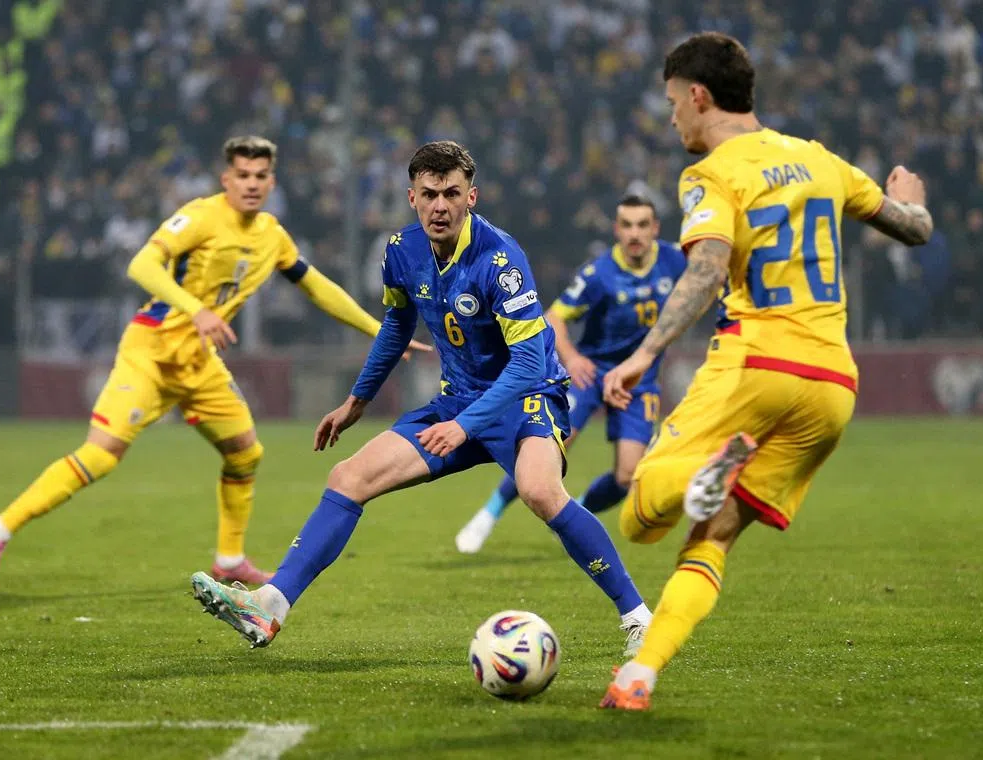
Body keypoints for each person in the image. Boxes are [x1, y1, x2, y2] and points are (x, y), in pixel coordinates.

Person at [189, 141, 653, 656]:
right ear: (412, 197)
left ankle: (638, 617)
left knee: (540, 490)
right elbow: (397, 325)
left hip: (525, 397)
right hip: (458, 401)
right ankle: (270, 604)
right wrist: (357, 401)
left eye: (451, 193)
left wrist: (464, 426)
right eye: (429, 194)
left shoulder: (502, 259)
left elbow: (527, 364)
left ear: (471, 197)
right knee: (348, 476)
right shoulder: (401, 250)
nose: (440, 206)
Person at [598, 33, 933, 710]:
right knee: (711, 536)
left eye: (672, 103)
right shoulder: (820, 160)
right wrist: (913, 197)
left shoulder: (712, 173)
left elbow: (706, 268)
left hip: (757, 362)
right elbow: (914, 228)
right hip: (832, 385)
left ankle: (706, 470)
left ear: (699, 96)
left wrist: (643, 353)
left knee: (639, 515)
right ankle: (638, 677)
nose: (672, 117)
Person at [0, 136, 428, 590]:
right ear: (226, 179)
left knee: (244, 452)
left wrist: (377, 329)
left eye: (261, 175)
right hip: (152, 350)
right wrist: (196, 310)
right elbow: (142, 265)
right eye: (242, 175)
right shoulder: (201, 216)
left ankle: (229, 560)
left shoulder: (272, 235)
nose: (252, 183)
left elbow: (316, 286)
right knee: (101, 454)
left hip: (198, 361)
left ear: (272, 182)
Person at [455, 194, 686, 553]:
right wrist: (573, 358)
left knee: (627, 477)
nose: (634, 233)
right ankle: (489, 513)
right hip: (590, 375)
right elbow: (555, 317)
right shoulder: (598, 274)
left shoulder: (675, 260)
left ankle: (576, 512)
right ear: (616, 229)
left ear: (655, 228)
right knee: (547, 446)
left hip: (638, 382)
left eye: (642, 225)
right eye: (627, 225)